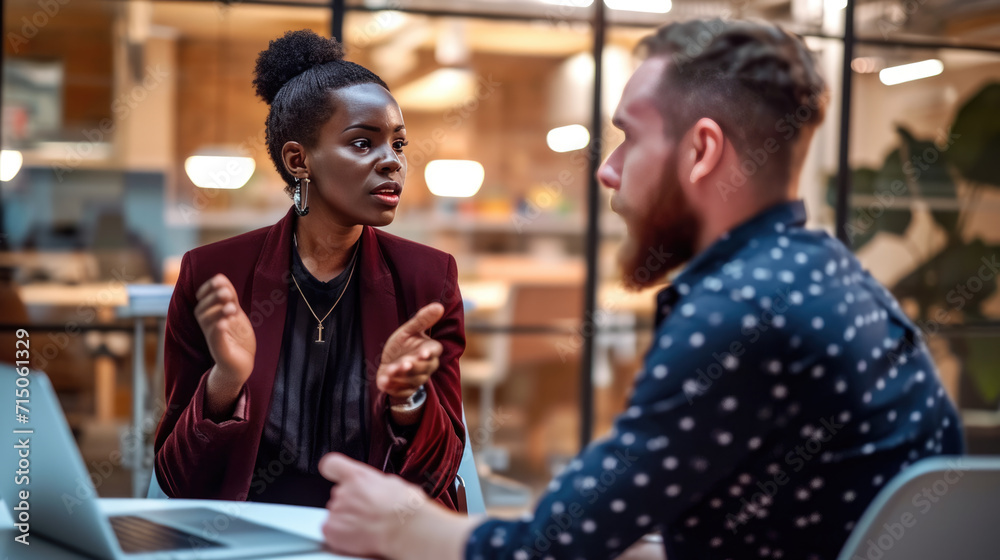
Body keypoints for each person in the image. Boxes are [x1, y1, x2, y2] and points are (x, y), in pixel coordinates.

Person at [314, 18, 965, 560]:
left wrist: (404, 523)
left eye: (629, 136)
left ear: (701, 151)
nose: (607, 169)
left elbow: (553, 550)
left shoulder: (736, 310)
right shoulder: (835, 276)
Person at [153, 30, 466, 510]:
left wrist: (408, 399)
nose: (392, 163)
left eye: (399, 145)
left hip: (372, 539)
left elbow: (438, 476)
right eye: (363, 144)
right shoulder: (213, 274)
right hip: (248, 539)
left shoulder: (427, 280)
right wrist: (226, 381)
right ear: (299, 160)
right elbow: (179, 481)